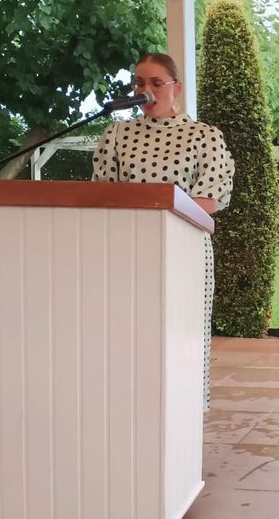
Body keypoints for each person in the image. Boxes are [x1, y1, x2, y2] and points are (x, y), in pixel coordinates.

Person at [91, 52, 235, 409]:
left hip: (183, 253)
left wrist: (161, 210)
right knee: (129, 341)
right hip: (126, 254)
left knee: (180, 340)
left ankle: (182, 425)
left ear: (177, 88)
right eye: (139, 83)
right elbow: (101, 195)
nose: (147, 90)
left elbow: (209, 200)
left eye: (157, 83)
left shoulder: (204, 137)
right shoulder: (117, 135)